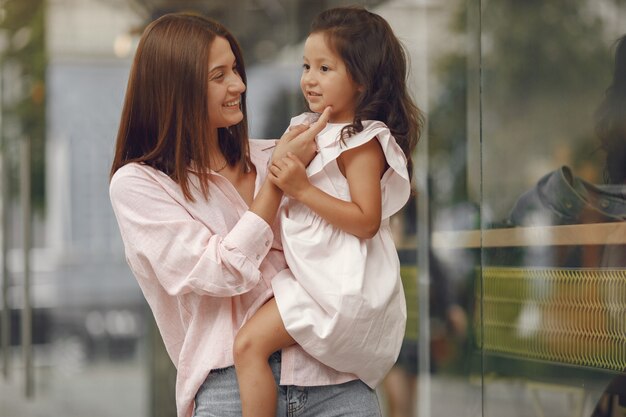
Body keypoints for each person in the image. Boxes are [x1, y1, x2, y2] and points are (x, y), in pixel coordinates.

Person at [108, 12, 383, 417]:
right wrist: (275, 186)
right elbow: (221, 273)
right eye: (219, 76)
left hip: (331, 377)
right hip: (229, 389)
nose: (239, 84)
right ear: (175, 88)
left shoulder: (281, 153)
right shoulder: (139, 186)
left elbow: (356, 230)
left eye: (235, 68)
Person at [232, 6, 423, 417]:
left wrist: (300, 189)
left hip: (338, 283)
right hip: (313, 274)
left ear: (360, 80)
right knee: (248, 346)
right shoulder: (306, 127)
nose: (309, 79)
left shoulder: (361, 141)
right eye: (305, 66)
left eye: (324, 68)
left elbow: (367, 220)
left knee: (248, 345)